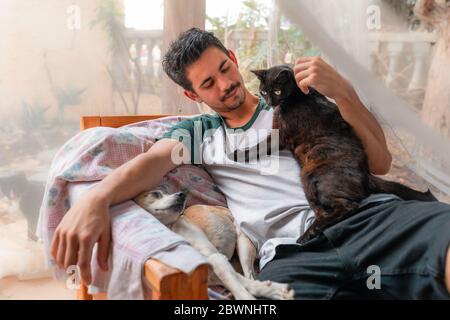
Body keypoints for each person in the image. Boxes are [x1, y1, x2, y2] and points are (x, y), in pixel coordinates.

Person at [50, 28, 450, 299]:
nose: (225, 85)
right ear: (193, 96)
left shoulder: (295, 99)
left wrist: (344, 93)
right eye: (208, 83)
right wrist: (96, 199)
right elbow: (151, 164)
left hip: (369, 219)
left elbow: (380, 162)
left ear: (233, 57)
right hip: (292, 255)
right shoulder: (200, 132)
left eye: (225, 69)